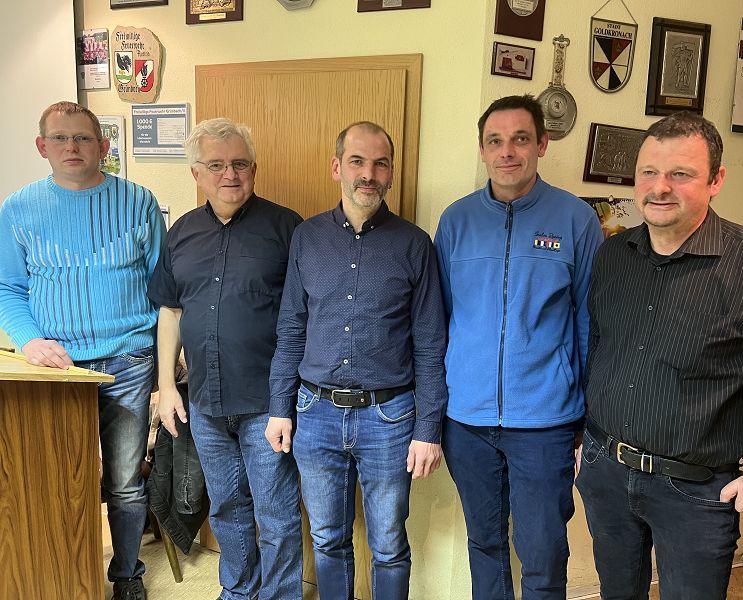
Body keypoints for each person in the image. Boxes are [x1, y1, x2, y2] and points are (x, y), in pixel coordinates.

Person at [577, 111, 743, 600]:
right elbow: (600, 351)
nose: (660, 187)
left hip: (696, 494)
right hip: (605, 473)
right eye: (649, 172)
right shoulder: (613, 255)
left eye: (680, 173)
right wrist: (584, 441)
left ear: (716, 180)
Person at [266, 121, 447, 600]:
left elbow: (431, 343)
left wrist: (428, 428)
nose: (369, 174)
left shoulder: (415, 244)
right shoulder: (306, 238)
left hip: (390, 417)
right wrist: (279, 407)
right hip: (315, 414)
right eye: (357, 162)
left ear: (391, 173)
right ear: (336, 168)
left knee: (388, 545)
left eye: (380, 164)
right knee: (327, 539)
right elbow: (291, 329)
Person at [434, 94, 603, 599]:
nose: (507, 151)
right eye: (495, 141)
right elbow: (439, 319)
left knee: (543, 553)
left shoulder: (576, 220)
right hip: (467, 421)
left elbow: (590, 322)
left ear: (542, 144)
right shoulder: (456, 221)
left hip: (545, 422)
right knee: (484, 543)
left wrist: (587, 415)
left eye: (520, 139)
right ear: (483, 149)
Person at [0, 101, 165, 600]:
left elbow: (163, 288)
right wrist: (29, 341)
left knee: (124, 482)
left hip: (129, 361)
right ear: (42, 146)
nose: (71, 147)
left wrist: (167, 367)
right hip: (58, 367)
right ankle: (58, 572)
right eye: (60, 138)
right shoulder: (18, 208)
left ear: (103, 146)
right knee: (53, 479)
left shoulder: (139, 202)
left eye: (83, 138)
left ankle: (127, 574)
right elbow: (9, 288)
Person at [147, 118, 304, 600]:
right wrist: (166, 386)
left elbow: (306, 315)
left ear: (254, 168)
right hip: (205, 402)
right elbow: (171, 311)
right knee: (227, 508)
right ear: (196, 173)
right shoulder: (181, 233)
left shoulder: (287, 228)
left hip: (267, 403)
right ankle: (238, 590)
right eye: (216, 165)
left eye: (239, 163)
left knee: (276, 514)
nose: (229, 174)